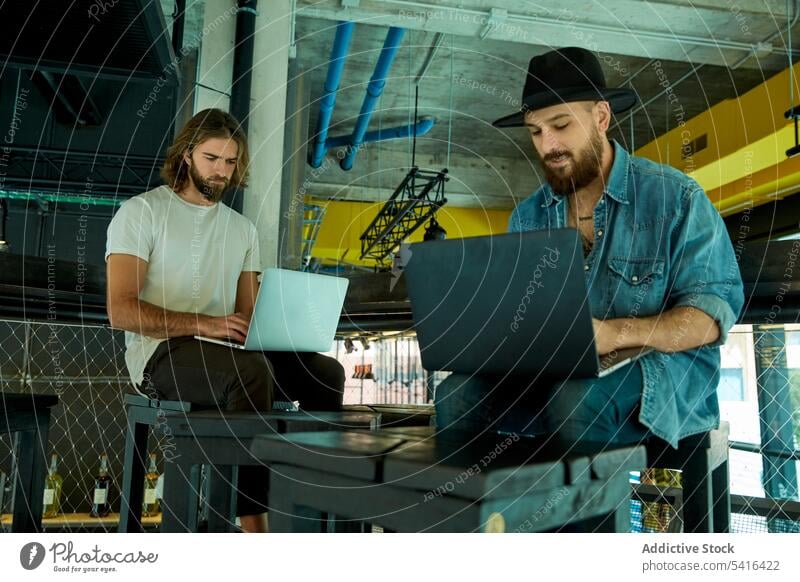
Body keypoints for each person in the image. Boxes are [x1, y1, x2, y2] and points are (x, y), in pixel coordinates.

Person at [435, 47, 744, 449]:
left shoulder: (676, 198)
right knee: (455, 397)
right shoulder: (528, 217)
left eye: (560, 125)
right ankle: (494, 511)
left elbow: (711, 317)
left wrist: (612, 335)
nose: (548, 146)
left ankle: (576, 514)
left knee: (577, 400)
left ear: (601, 117)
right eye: (536, 132)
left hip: (663, 374)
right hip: (560, 374)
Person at [105, 108, 345, 532]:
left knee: (326, 373)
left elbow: (247, 316)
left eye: (230, 162)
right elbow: (120, 311)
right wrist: (205, 324)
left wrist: (284, 324)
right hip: (159, 354)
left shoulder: (242, 230)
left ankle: (310, 508)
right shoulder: (141, 213)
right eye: (211, 159)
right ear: (186, 156)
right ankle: (253, 523)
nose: (221, 172)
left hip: (226, 349)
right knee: (249, 370)